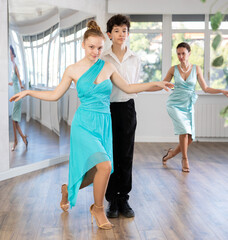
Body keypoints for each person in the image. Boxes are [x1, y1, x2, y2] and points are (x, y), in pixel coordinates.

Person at [10, 20, 173, 230]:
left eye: (99, 48)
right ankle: (97, 208)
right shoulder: (73, 70)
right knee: (105, 166)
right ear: (83, 44)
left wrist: (156, 84)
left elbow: (129, 88)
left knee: (98, 171)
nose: (95, 52)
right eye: (91, 47)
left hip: (104, 123)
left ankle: (68, 190)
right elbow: (54, 95)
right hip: (84, 124)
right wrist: (29, 92)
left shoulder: (108, 66)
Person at [161, 42, 228, 172]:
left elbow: (206, 88)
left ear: (189, 53)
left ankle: (172, 154)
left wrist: (221, 90)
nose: (181, 56)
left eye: (183, 53)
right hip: (174, 104)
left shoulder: (196, 69)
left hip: (188, 106)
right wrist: (154, 86)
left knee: (190, 138)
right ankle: (185, 159)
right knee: (184, 132)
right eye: (178, 54)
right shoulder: (173, 69)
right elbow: (163, 83)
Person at [101, 14, 140, 218]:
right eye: (116, 30)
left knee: (126, 154)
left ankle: (123, 198)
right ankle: (111, 200)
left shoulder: (136, 58)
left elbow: (133, 86)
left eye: (124, 30)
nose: (121, 34)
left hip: (127, 108)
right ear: (109, 34)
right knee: (110, 155)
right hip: (107, 109)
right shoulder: (103, 58)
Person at [9, 45, 28, 151]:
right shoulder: (12, 67)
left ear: (14, 55)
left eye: (11, 54)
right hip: (16, 95)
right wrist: (9, 83)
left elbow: (19, 78)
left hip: (17, 96)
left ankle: (16, 141)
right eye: (9, 54)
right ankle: (23, 138)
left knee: (13, 120)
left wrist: (21, 86)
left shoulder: (15, 66)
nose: (10, 56)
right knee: (15, 121)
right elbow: (14, 81)